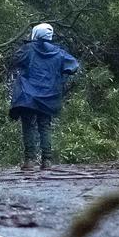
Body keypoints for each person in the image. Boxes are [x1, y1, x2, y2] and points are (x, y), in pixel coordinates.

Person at [8, 22, 80, 171]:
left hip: (27, 96)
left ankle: (30, 160)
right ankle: (47, 161)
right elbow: (73, 66)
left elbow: (15, 60)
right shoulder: (59, 52)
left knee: (28, 126)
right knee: (44, 126)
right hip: (49, 96)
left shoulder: (28, 49)